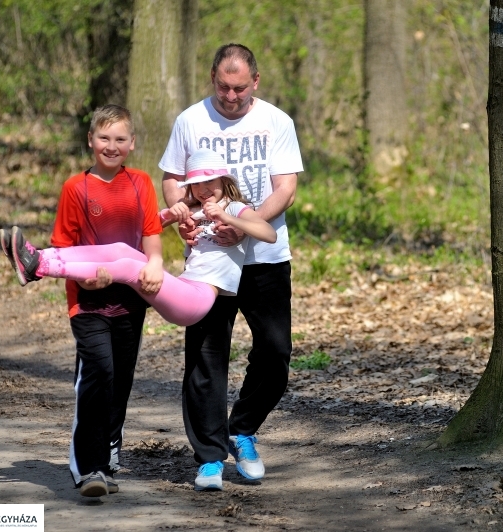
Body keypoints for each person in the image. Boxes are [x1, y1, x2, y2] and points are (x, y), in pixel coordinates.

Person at [0, 104, 164, 498]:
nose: (112, 146)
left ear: (132, 143)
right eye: (104, 138)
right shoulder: (76, 187)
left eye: (120, 139)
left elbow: (152, 240)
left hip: (132, 299)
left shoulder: (142, 182)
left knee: (120, 380)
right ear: (90, 141)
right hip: (87, 301)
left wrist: (156, 264)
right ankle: (88, 467)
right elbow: (66, 250)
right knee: (98, 373)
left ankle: (108, 451)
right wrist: (87, 282)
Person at [159, 43, 303, 491]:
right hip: (209, 262)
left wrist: (244, 224)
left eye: (240, 87)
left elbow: (286, 188)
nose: (231, 95)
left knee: (276, 352)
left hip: (264, 259)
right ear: (213, 79)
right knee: (205, 358)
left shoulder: (276, 121)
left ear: (255, 82)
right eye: (223, 86)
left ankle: (242, 430)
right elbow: (171, 179)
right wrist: (182, 217)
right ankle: (208, 457)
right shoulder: (190, 120)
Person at [1, 150, 277, 328]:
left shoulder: (235, 208)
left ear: (224, 182)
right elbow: (141, 231)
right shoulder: (193, 209)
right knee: (122, 249)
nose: (204, 190)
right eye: (197, 184)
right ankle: (38, 257)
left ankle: (38, 267)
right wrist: (169, 214)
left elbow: (269, 233)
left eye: (211, 183)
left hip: (198, 298)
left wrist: (228, 218)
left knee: (133, 269)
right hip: (181, 287)